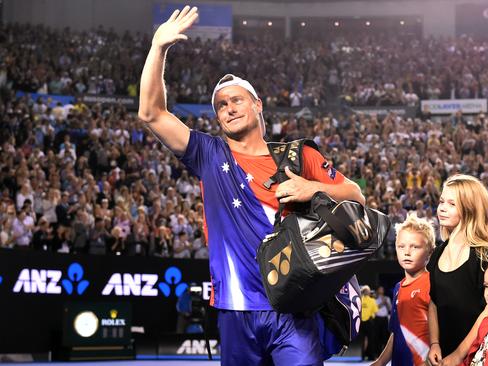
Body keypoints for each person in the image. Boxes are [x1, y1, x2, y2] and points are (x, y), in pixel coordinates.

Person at [138, 6, 365, 365]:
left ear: (257, 104)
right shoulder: (208, 154)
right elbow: (151, 113)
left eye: (236, 100)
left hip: (293, 308)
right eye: (220, 105)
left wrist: (312, 188)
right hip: (235, 308)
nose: (227, 108)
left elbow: (356, 196)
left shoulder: (297, 155)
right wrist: (158, 48)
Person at [427, 174, 488, 365]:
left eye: (452, 204)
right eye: (441, 201)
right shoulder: (438, 253)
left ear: (469, 209)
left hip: (480, 354)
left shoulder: (485, 255)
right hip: (444, 355)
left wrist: (459, 354)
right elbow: (433, 303)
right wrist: (434, 343)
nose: (442, 208)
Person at [372, 214, 437, 366]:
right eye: (401, 246)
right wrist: (380, 362)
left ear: (430, 251)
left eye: (415, 246)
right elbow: (397, 332)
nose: (407, 252)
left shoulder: (433, 284)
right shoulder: (397, 288)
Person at [361, 285, 379, 361]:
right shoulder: (371, 300)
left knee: (365, 339)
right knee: (370, 339)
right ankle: (370, 356)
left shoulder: (360, 300)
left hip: (363, 322)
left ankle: (364, 356)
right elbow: (375, 311)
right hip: (368, 321)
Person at [374, 286, 392, 358]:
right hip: (377, 318)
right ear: (377, 290)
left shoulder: (387, 298)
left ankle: (385, 354)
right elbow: (374, 308)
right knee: (377, 336)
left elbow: (390, 308)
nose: (381, 290)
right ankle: (377, 353)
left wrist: (386, 303)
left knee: (385, 336)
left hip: (385, 319)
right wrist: (382, 303)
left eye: (382, 289)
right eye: (380, 289)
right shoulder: (375, 299)